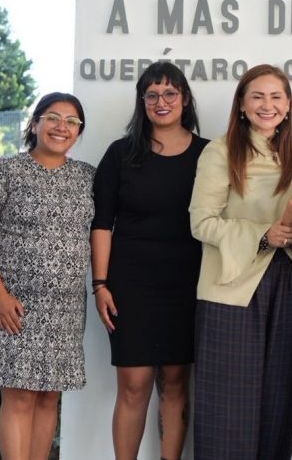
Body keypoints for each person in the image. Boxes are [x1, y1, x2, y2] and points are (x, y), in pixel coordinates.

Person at [188, 64, 292, 460]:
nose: (267, 105)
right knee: (228, 406)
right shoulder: (220, 150)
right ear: (241, 105)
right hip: (232, 286)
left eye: (276, 96)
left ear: (288, 105)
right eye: (257, 96)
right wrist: (264, 233)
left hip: (287, 278)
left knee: (279, 400)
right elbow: (201, 222)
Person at [0, 93, 95, 460]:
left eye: (72, 121)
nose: (61, 127)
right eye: (52, 117)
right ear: (34, 123)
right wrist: (0, 297)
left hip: (64, 310)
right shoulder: (1, 172)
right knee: (19, 396)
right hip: (13, 305)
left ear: (79, 131)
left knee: (49, 396)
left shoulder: (88, 178)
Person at [90, 62, 208, 460]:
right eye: (152, 95)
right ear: (142, 102)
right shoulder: (120, 153)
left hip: (188, 284)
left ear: (185, 98)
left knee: (175, 383)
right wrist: (100, 284)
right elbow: (102, 223)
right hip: (130, 284)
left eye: (170, 93)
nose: (162, 102)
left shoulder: (208, 154)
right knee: (134, 385)